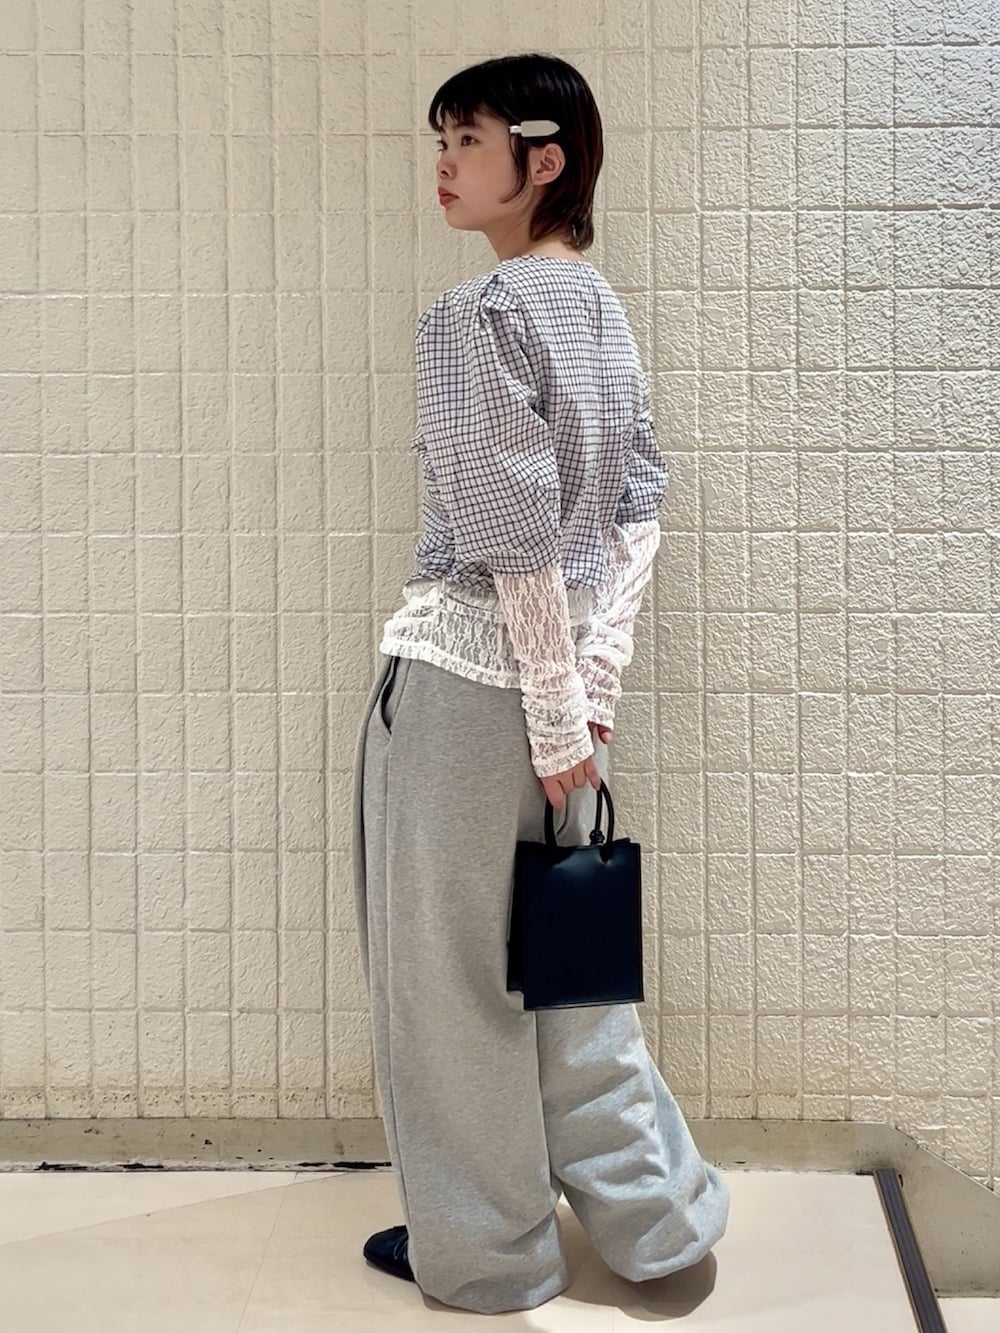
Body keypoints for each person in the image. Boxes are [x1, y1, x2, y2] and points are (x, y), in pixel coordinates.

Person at [351, 52, 730, 1317]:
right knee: (575, 970)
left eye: (465, 139)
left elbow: (510, 538)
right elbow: (636, 513)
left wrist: (555, 705)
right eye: (440, 141)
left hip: (468, 692)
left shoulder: (478, 314)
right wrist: (586, 699)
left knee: (449, 986)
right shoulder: (600, 310)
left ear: (543, 158)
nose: (443, 164)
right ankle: (656, 1223)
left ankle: (489, 1256)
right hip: (561, 697)